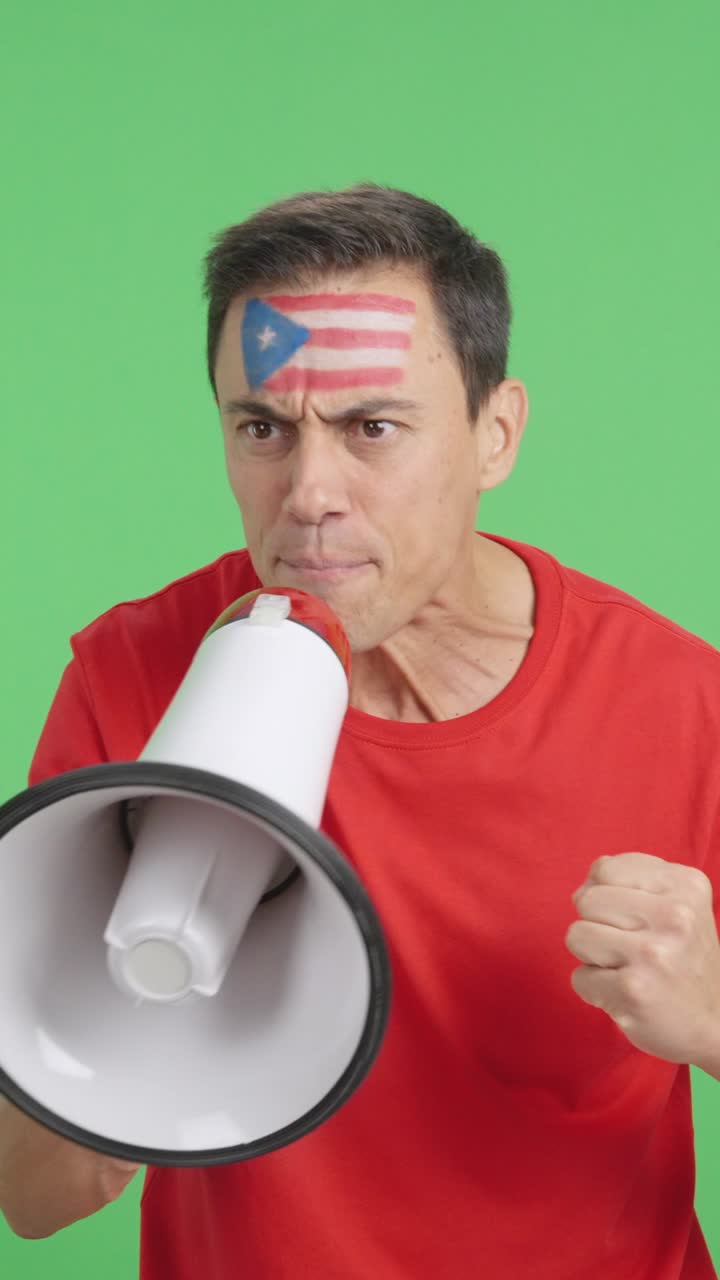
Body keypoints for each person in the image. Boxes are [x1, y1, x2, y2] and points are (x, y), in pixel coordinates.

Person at [2, 183, 720, 1279]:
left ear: (496, 433)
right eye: (262, 429)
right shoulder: (130, 675)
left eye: (371, 427)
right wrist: (102, 1014)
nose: (308, 493)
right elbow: (33, 1199)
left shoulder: (681, 699)